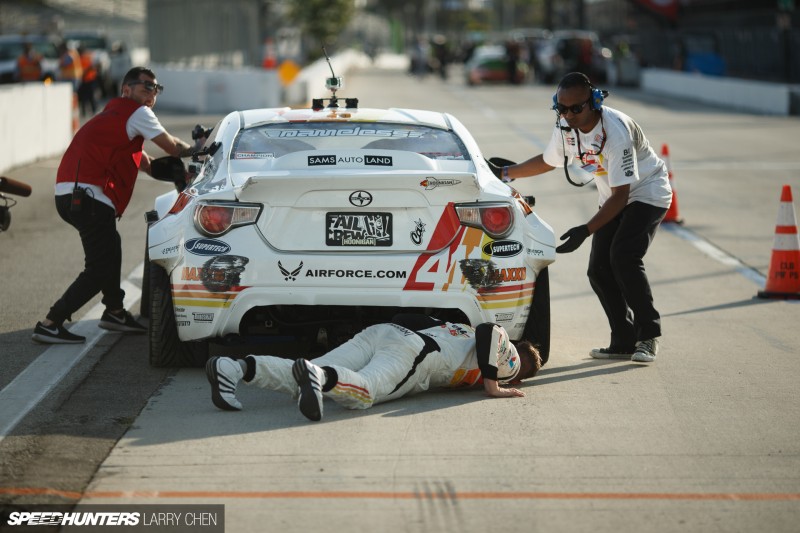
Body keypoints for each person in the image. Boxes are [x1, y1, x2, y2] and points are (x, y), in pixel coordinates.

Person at [491, 72, 671, 363]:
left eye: (576, 108)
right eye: (561, 108)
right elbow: (548, 161)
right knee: (598, 270)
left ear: (595, 102)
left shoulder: (616, 131)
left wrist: (585, 230)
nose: (569, 114)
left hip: (647, 192)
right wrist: (503, 174)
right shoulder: (564, 128)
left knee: (624, 257)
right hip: (612, 198)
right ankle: (623, 340)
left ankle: (648, 336)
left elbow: (622, 196)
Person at [32, 66, 205, 344]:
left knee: (112, 247)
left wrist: (175, 172)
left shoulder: (113, 116)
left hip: (69, 195)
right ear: (126, 90)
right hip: (89, 197)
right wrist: (202, 148)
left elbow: (146, 164)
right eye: (146, 86)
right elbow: (172, 147)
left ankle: (113, 311)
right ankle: (50, 322)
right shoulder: (136, 112)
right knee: (99, 267)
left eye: (156, 88)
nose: (152, 93)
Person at [206, 315, 542, 422]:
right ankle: (322, 379)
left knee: (303, 373)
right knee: (364, 392)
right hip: (417, 352)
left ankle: (233, 369)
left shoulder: (456, 328)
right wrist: (494, 384)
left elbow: (406, 320)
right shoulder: (511, 360)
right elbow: (490, 330)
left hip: (386, 332)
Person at [77, 45, 98, 116]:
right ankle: (84, 112)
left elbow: (91, 67)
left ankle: (93, 110)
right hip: (85, 80)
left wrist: (85, 71)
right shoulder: (82, 58)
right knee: (84, 97)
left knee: (90, 96)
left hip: (89, 79)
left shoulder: (85, 58)